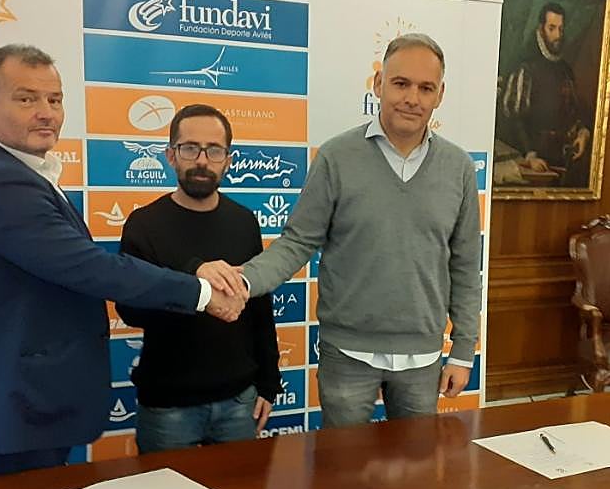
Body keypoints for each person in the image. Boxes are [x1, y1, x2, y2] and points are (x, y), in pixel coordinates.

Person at [0, 44, 244, 477]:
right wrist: (202, 292)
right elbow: (90, 268)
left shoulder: (20, 173)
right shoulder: (0, 183)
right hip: (14, 410)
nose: (46, 113)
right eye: (26, 99)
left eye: (54, 100)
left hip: (29, 405)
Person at [199, 33, 481, 428]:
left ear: (440, 95)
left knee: (416, 465)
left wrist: (463, 351)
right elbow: (297, 242)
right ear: (379, 84)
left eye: (425, 88)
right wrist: (243, 281)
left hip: (423, 360)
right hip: (346, 355)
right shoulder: (336, 157)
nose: (412, 98)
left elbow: (466, 266)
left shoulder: (459, 167)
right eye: (401, 84)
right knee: (343, 464)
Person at [117, 104, 279, 450]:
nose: (202, 160)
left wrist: (268, 383)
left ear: (228, 160)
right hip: (168, 405)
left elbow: (259, 308)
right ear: (170, 156)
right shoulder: (144, 224)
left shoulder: (244, 221)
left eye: (214, 150)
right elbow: (129, 310)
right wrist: (191, 278)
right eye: (190, 148)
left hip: (239, 400)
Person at [499, 2, 592, 188]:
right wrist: (529, 155)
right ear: (541, 29)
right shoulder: (525, 66)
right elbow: (512, 118)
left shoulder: (565, 70)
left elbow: (573, 111)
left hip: (562, 162)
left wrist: (583, 133)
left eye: (560, 29)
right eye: (552, 28)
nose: (558, 35)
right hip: (533, 166)